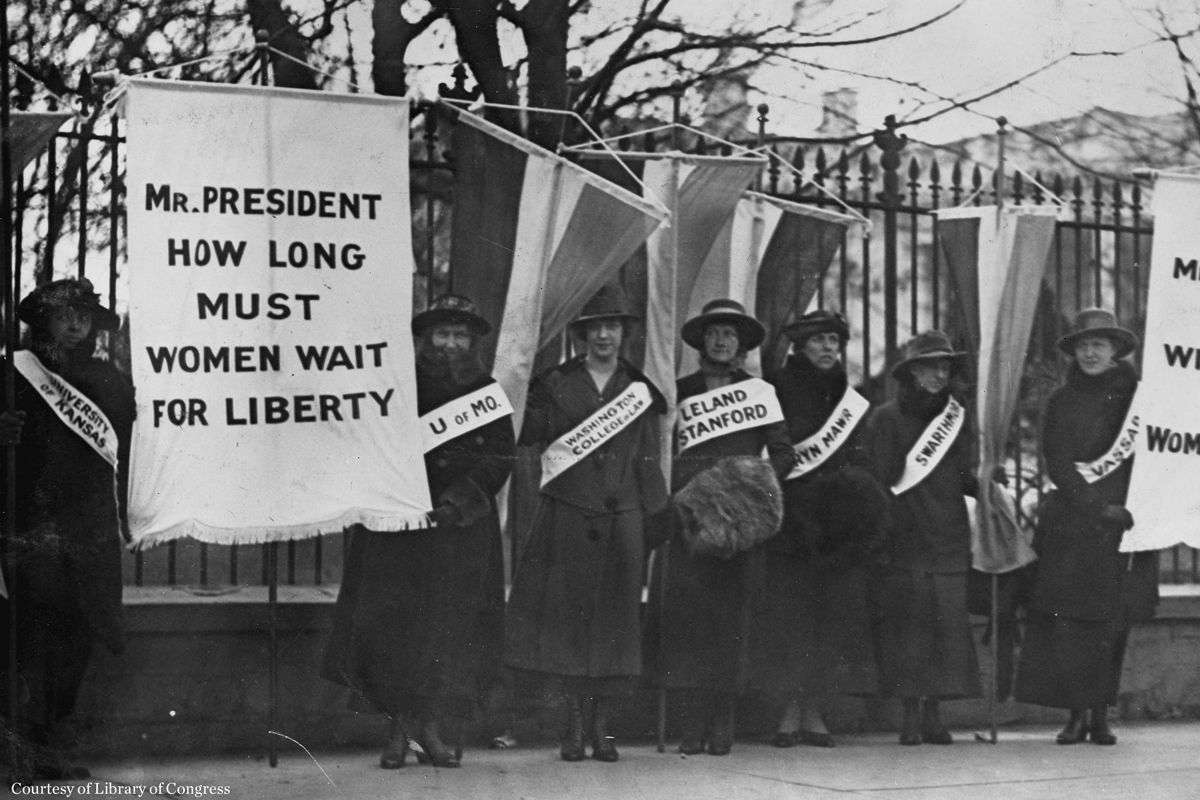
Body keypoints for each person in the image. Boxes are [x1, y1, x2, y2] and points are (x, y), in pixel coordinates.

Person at [322, 294, 515, 769]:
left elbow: (500, 457)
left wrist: (458, 500)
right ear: (426, 340)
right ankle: (397, 730)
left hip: (460, 529)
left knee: (448, 630)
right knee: (396, 629)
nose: (450, 345)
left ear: (472, 342)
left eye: (460, 335)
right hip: (401, 528)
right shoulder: (397, 388)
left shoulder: (488, 393)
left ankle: (427, 726)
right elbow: (370, 446)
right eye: (441, 335)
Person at [504, 284, 668, 764]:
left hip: (623, 519)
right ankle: (573, 726)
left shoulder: (638, 390)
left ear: (624, 333)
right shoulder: (554, 384)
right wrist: (519, 383)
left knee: (617, 626)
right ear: (579, 335)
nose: (603, 335)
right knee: (569, 626)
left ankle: (604, 729)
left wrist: (655, 517)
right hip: (569, 514)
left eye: (612, 326)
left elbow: (648, 458)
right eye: (594, 327)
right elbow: (528, 434)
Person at [644, 299, 793, 756]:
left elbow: (784, 455)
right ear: (701, 342)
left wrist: (743, 492)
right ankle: (691, 722)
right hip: (688, 524)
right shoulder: (679, 392)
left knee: (731, 625)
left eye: (730, 334)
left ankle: (722, 719)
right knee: (688, 624)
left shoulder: (760, 393)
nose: (722, 340)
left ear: (742, 344)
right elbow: (659, 454)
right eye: (714, 333)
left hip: (737, 529)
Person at [0, 278, 135, 780]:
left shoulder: (112, 382)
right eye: (64, 315)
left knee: (82, 632)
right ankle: (27, 747)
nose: (75, 324)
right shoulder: (13, 373)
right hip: (32, 528)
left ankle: (48, 739)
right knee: (34, 632)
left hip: (91, 528)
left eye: (83, 315)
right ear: (44, 322)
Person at [1014, 308, 1157, 745]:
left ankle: (1100, 715)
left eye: (1099, 344)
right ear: (1074, 351)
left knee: (1110, 625)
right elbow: (1056, 460)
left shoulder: (1143, 399)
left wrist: (1130, 508)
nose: (1090, 352)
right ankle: (1076, 714)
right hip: (1073, 524)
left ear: (1115, 349)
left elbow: (1152, 458)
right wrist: (1095, 506)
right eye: (1082, 345)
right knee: (1070, 625)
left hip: (1124, 526)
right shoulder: (1061, 399)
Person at [752, 310, 887, 748]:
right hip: (791, 519)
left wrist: (854, 490)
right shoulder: (777, 388)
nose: (829, 348)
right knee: (791, 620)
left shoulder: (848, 396)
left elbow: (860, 454)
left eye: (834, 341)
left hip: (834, 523)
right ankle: (789, 711)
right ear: (800, 346)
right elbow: (771, 449)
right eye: (819, 341)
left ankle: (814, 711)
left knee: (828, 621)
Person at [865, 330, 981, 745]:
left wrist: (989, 486)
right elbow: (877, 482)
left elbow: (967, 476)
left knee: (945, 631)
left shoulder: (958, 417)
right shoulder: (886, 418)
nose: (938, 373)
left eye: (944, 366)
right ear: (911, 371)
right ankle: (910, 715)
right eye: (929, 365)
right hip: (905, 536)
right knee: (908, 632)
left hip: (947, 534)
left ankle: (934, 714)